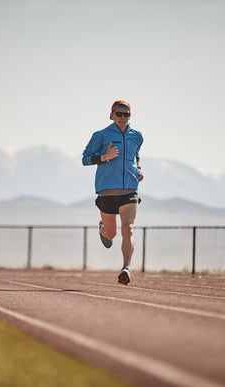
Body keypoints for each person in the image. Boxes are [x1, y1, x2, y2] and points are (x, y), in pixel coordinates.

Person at [82, 100, 144, 285]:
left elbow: (137, 155)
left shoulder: (137, 136)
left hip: (129, 190)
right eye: (119, 114)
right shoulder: (100, 135)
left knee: (128, 228)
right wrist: (104, 157)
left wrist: (139, 169)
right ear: (112, 115)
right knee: (112, 234)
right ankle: (103, 230)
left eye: (127, 114)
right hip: (107, 190)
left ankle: (126, 268)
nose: (123, 118)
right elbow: (85, 159)